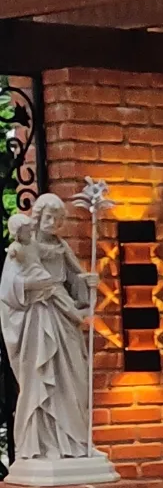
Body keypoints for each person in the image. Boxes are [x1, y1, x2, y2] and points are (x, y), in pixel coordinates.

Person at [0, 193, 96, 463]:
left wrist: (87, 283)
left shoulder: (62, 246)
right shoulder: (22, 247)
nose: (52, 223)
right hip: (39, 318)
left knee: (74, 376)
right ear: (37, 217)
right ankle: (41, 444)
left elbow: (74, 280)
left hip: (64, 317)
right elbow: (9, 290)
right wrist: (36, 287)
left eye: (57, 218)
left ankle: (76, 442)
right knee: (42, 376)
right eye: (47, 217)